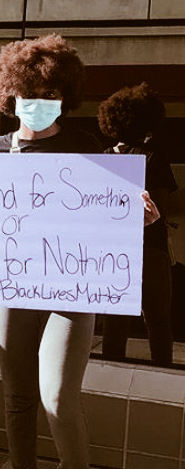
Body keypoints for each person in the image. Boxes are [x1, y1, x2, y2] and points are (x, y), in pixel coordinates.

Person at [0, 34, 159, 469]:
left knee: (57, 395)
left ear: (66, 95)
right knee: (17, 397)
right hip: (11, 286)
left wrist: (140, 216)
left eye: (52, 91)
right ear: (8, 93)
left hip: (70, 292)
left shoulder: (86, 148)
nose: (38, 101)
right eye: (29, 91)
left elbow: (117, 213)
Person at [98, 83, 178, 366]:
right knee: (157, 320)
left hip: (113, 251)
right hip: (150, 249)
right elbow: (159, 209)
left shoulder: (103, 157)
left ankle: (110, 371)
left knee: (115, 319)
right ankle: (162, 371)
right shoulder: (153, 158)